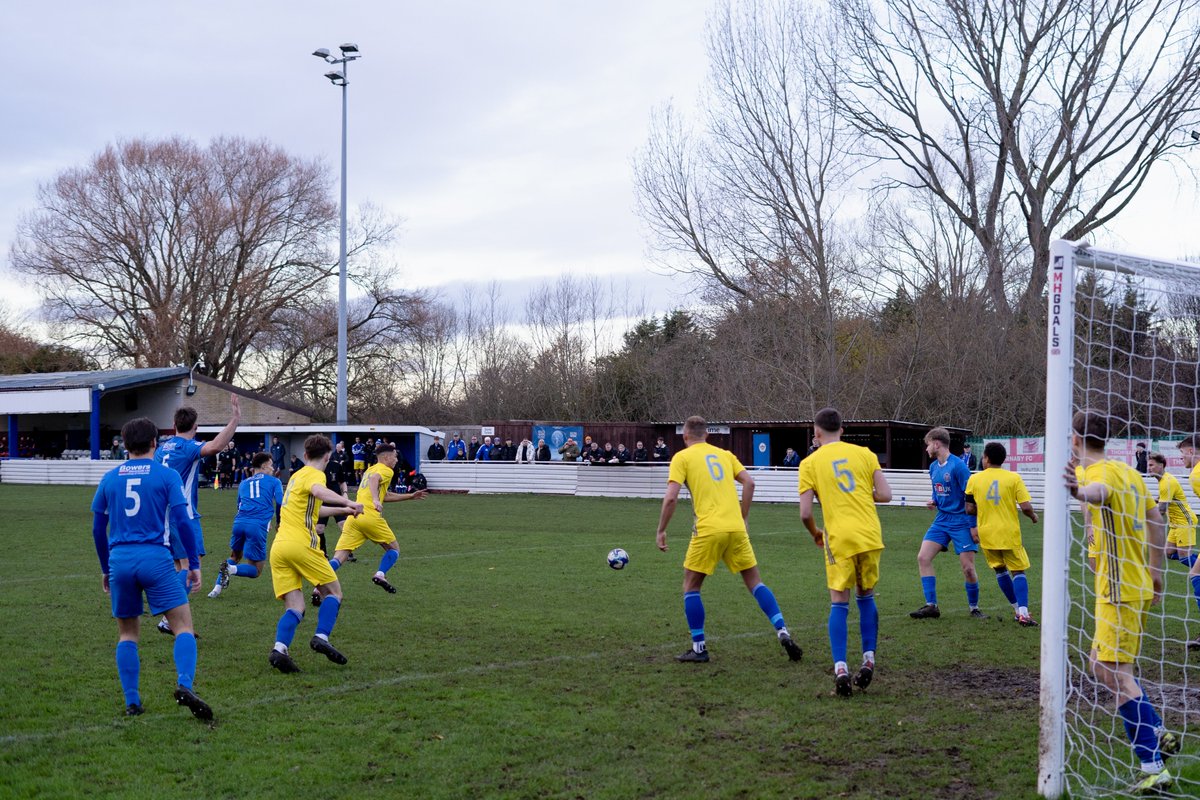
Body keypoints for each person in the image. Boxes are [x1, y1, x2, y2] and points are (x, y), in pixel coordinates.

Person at [1063, 409, 1176, 793]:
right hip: (1136, 583)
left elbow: (1097, 492)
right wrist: (1157, 570)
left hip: (1118, 590)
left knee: (1115, 676)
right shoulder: (1128, 471)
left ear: (1076, 439)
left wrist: (1080, 493)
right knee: (1102, 664)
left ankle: (1153, 766)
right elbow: (1156, 519)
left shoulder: (1100, 476)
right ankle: (1159, 733)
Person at [91, 417, 212, 720]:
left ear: (124, 444)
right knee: (183, 625)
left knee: (128, 634)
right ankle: (184, 684)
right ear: (155, 443)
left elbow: (97, 528)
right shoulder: (166, 475)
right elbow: (183, 521)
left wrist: (106, 568)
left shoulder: (110, 477)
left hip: (120, 559)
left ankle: (132, 702)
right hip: (156, 557)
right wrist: (193, 563)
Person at [656, 415, 803, 664]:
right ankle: (783, 631)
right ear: (707, 435)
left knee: (691, 587)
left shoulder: (682, 457)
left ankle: (699, 648)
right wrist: (743, 516)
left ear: (685, 436)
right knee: (756, 583)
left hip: (708, 529)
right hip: (735, 528)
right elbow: (749, 482)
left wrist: (661, 530)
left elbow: (671, 498)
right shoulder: (725, 455)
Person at [798, 407, 891, 696]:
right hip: (869, 534)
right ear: (843, 429)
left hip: (839, 538)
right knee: (866, 596)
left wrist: (816, 533)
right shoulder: (865, 453)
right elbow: (886, 495)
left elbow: (804, 513)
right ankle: (868, 660)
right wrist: (863, 494)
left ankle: (840, 667)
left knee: (839, 601)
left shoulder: (810, 463)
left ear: (816, 433)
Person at [267, 435, 364, 673]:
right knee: (334, 592)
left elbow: (316, 507)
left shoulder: (296, 475)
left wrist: (345, 509)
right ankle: (321, 636)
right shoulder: (315, 474)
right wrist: (346, 499)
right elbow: (320, 492)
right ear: (328, 456)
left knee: (295, 606)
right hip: (302, 545)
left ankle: (280, 649)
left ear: (306, 454)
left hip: (280, 547)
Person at [153, 396, 240, 634]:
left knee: (180, 567)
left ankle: (171, 618)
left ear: (174, 424)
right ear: (195, 426)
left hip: (163, 516)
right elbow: (216, 446)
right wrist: (234, 419)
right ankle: (167, 618)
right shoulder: (187, 447)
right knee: (192, 566)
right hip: (184, 515)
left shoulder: (163, 448)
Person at [327, 443, 429, 598]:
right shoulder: (385, 470)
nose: (396, 460)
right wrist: (375, 500)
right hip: (370, 517)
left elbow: (384, 495)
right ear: (387, 457)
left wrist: (410, 496)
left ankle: (318, 584)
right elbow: (376, 482)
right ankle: (380, 574)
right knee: (394, 549)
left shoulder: (370, 469)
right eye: (395, 456)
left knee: (340, 556)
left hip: (354, 516)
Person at [910, 427, 984, 619]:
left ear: (936, 443)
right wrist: (934, 500)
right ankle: (931, 606)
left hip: (961, 520)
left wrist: (973, 525)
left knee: (968, 568)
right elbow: (937, 490)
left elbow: (971, 496)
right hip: (942, 520)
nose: (926, 449)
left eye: (928, 445)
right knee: (923, 558)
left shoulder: (958, 466)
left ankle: (974, 608)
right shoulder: (934, 467)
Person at [964, 442, 1040, 625]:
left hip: (987, 533)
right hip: (1008, 533)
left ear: (987, 459)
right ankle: (1023, 613)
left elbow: (969, 508)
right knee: (1018, 570)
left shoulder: (974, 479)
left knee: (999, 569)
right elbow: (1026, 506)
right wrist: (1033, 516)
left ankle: (1016, 610)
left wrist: (985, 508)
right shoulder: (1013, 478)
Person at [209, 452, 283, 598]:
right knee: (256, 570)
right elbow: (280, 502)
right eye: (271, 465)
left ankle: (216, 589)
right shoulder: (275, 482)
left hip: (239, 522)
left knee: (235, 556)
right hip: (257, 525)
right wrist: (279, 522)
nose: (273, 468)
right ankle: (230, 570)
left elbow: (239, 505)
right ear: (263, 466)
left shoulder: (243, 483)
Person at [1165, 437, 1200, 649]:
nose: (1181, 457)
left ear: (1191, 450)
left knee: (1196, 574)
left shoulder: (1196, 475)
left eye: (1183, 452)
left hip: (1184, 523)